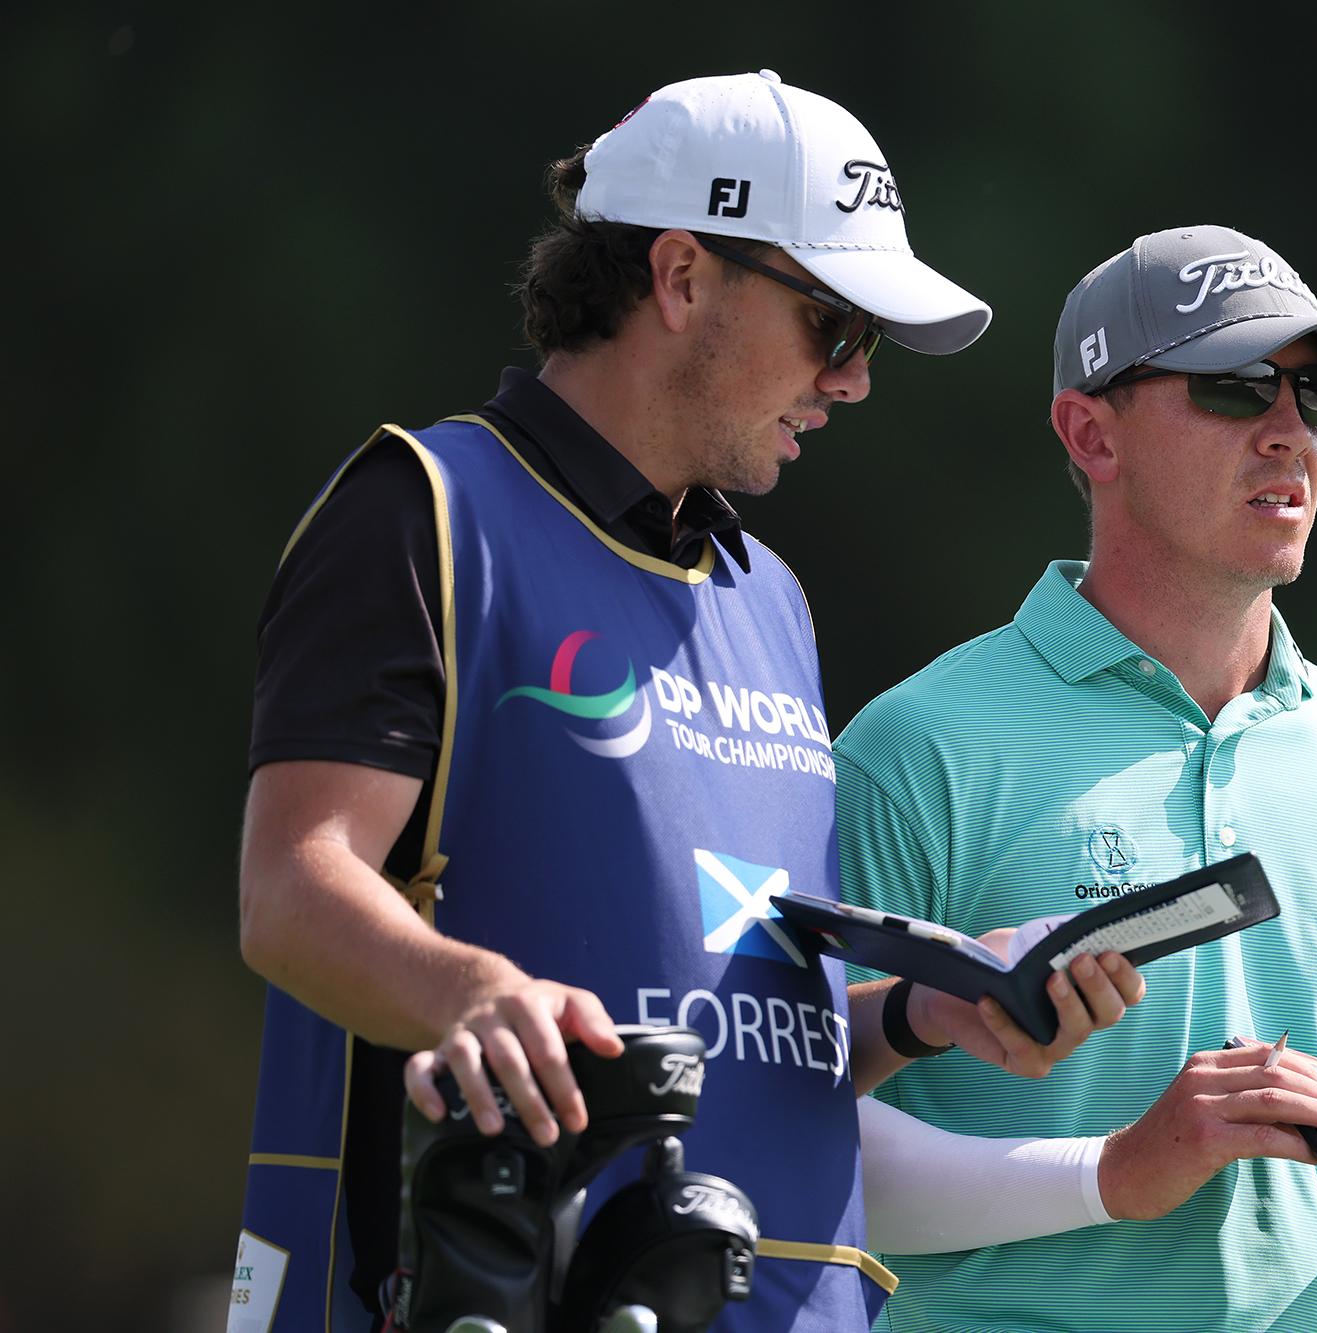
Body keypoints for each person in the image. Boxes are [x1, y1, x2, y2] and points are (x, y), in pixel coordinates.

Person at [232, 71, 1139, 1333]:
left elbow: (761, 1021)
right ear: (679, 277)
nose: (854, 380)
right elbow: (287, 891)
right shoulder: (426, 508)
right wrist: (471, 992)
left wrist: (930, 1009)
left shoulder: (767, 594)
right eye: (834, 326)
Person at [834, 225, 1317, 1331]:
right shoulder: (911, 749)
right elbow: (796, 1138)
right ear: (1090, 433)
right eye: (1234, 387)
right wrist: (1115, 1167)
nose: (1288, 432)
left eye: (1316, 397)